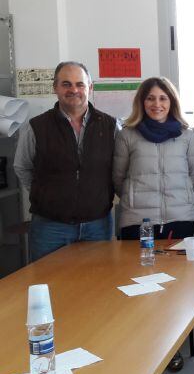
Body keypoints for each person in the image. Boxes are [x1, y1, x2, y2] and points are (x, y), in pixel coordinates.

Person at [112, 77, 194, 372]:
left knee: (174, 288)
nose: (157, 104)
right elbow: (118, 177)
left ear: (171, 102)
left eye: (163, 98)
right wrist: (137, 199)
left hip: (179, 219)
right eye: (151, 98)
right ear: (142, 102)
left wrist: (176, 198)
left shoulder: (187, 135)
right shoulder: (127, 135)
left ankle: (171, 347)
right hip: (138, 220)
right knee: (140, 286)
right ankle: (143, 345)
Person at [14, 61, 117, 262]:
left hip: (97, 224)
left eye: (80, 84)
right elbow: (22, 167)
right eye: (66, 84)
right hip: (50, 227)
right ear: (55, 88)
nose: (74, 90)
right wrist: (45, 193)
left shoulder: (111, 126)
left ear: (90, 87)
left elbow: (117, 171)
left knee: (97, 285)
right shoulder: (36, 127)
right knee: (48, 285)